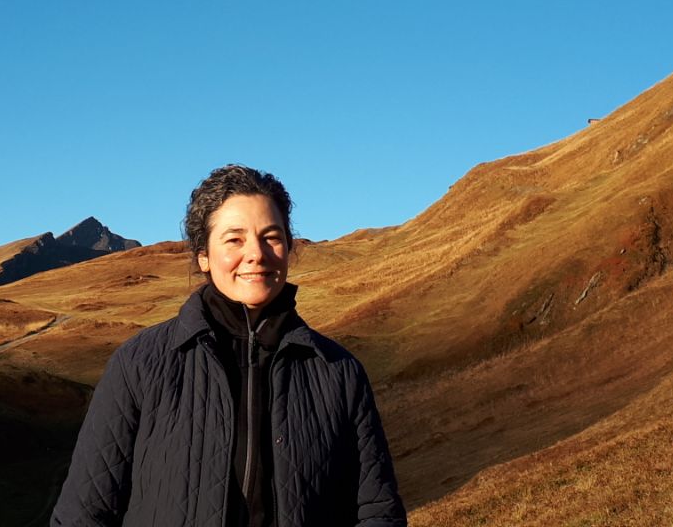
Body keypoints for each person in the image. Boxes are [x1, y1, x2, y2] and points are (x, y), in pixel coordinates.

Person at [50, 164, 406, 527]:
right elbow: (83, 515)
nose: (256, 254)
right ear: (203, 255)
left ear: (288, 247)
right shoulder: (140, 364)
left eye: (271, 237)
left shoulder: (339, 372)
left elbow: (378, 511)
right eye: (234, 239)